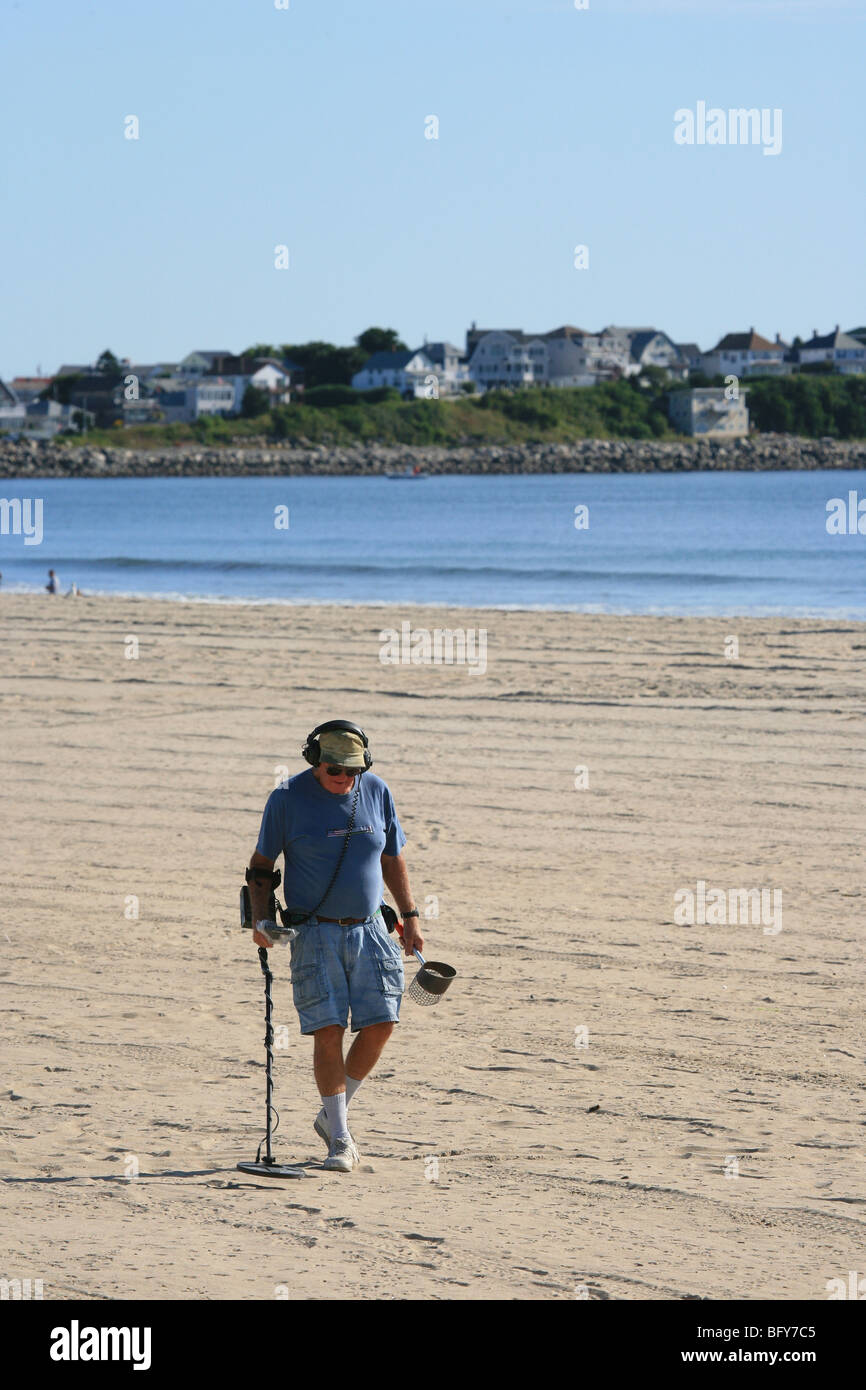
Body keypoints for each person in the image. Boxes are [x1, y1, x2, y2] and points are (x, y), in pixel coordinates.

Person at [246, 720, 423, 1173]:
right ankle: (341, 1140)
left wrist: (410, 917)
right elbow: (262, 866)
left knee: (383, 1022)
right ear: (314, 761)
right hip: (314, 933)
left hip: (372, 929)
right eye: (333, 770)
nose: (343, 779)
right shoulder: (286, 799)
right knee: (328, 1030)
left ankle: (330, 1115)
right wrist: (261, 919)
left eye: (352, 771)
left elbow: (392, 857)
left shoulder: (377, 790)